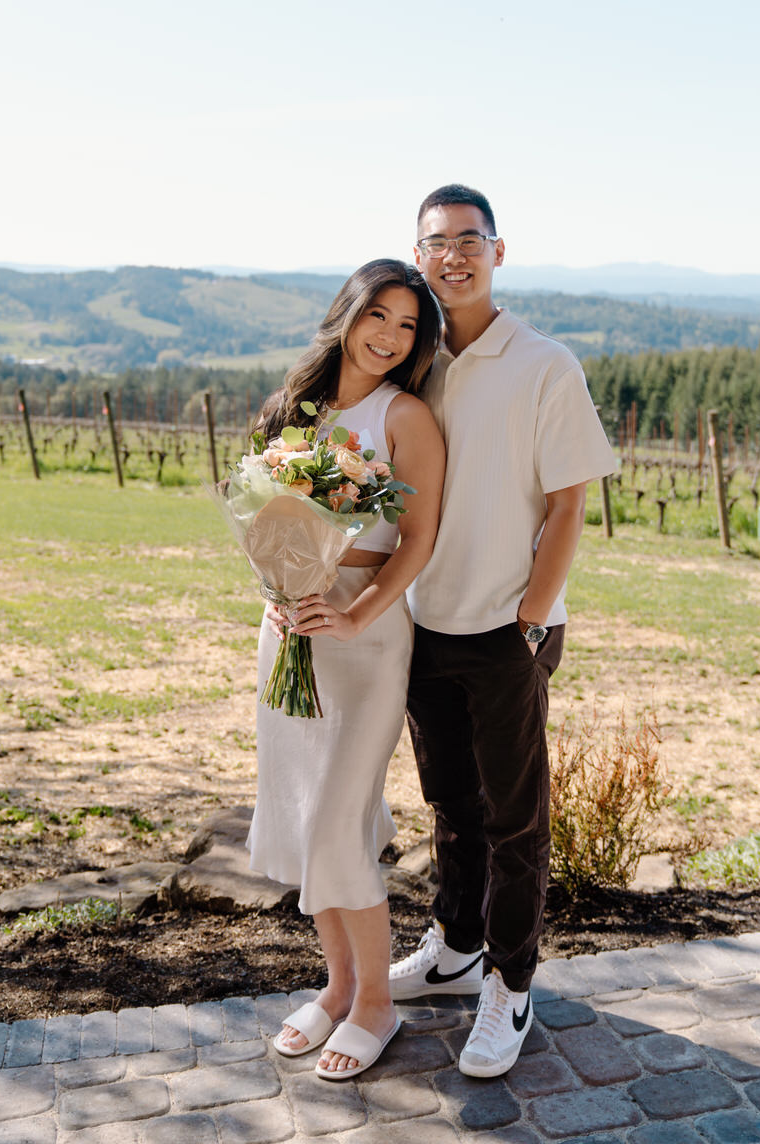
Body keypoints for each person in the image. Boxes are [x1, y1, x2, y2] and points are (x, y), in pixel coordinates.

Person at [388, 186, 617, 1078]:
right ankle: (455, 947)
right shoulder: (419, 361)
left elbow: (568, 504)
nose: (453, 255)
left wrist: (529, 622)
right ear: (419, 253)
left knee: (516, 820)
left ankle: (510, 985)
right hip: (425, 619)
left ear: (498, 250)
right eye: (435, 242)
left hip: (508, 630)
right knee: (452, 803)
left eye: (468, 239)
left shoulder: (545, 364)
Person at [248, 259, 445, 1082]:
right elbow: (263, 509)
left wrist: (357, 610)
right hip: (291, 625)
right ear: (349, 312)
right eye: (382, 317)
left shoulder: (406, 418)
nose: (393, 338)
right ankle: (337, 988)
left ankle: (377, 1007)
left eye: (410, 328)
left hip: (364, 635)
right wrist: (276, 582)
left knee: (337, 823)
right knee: (301, 817)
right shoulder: (293, 408)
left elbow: (418, 538)